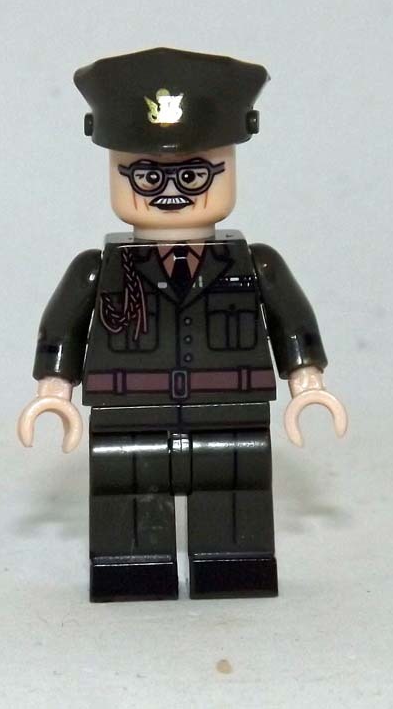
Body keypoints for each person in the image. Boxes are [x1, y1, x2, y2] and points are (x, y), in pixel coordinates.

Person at [18, 47, 347, 601]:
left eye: (194, 174)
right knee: (126, 494)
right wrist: (53, 392)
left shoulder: (255, 264)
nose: (171, 190)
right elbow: (62, 330)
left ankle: (232, 565)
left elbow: (291, 321)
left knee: (235, 492)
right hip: (129, 410)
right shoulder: (99, 268)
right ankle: (133, 568)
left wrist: (307, 383)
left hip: (231, 408)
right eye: (146, 176)